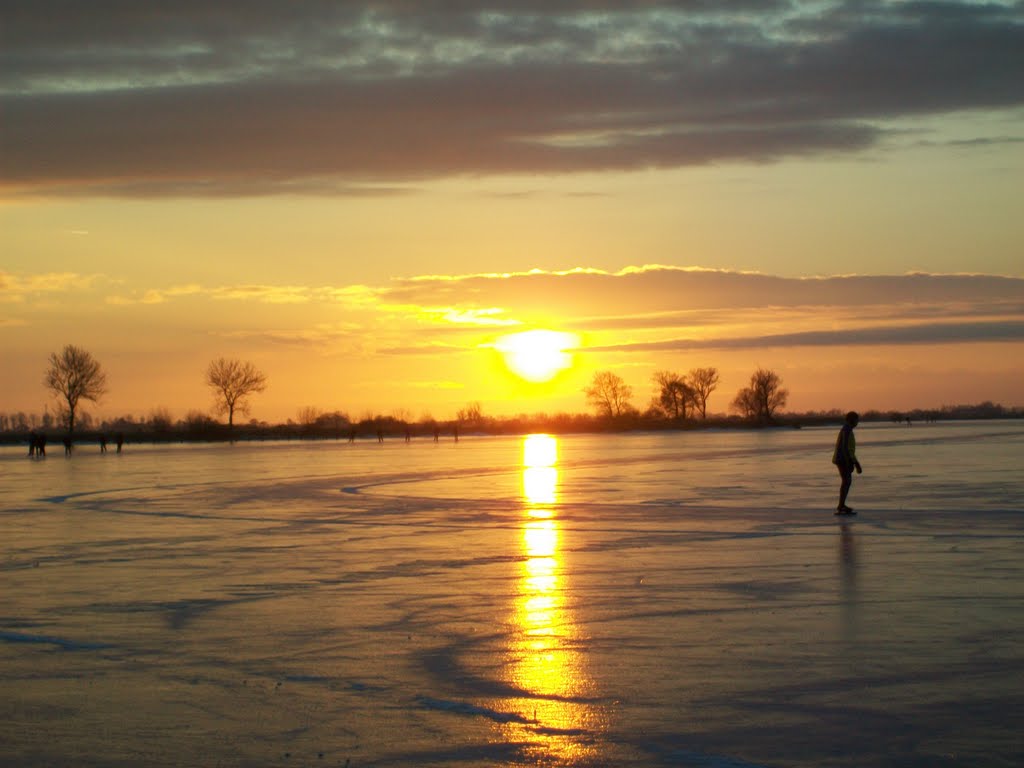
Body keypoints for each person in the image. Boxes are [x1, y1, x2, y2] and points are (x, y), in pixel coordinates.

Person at [832, 411, 863, 515]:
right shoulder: (847, 430)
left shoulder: (848, 429)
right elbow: (845, 448)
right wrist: (850, 462)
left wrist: (855, 462)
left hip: (843, 459)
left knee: (847, 481)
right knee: (846, 481)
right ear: (851, 420)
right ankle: (841, 506)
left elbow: (849, 449)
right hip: (842, 459)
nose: (857, 422)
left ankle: (842, 505)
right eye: (856, 420)